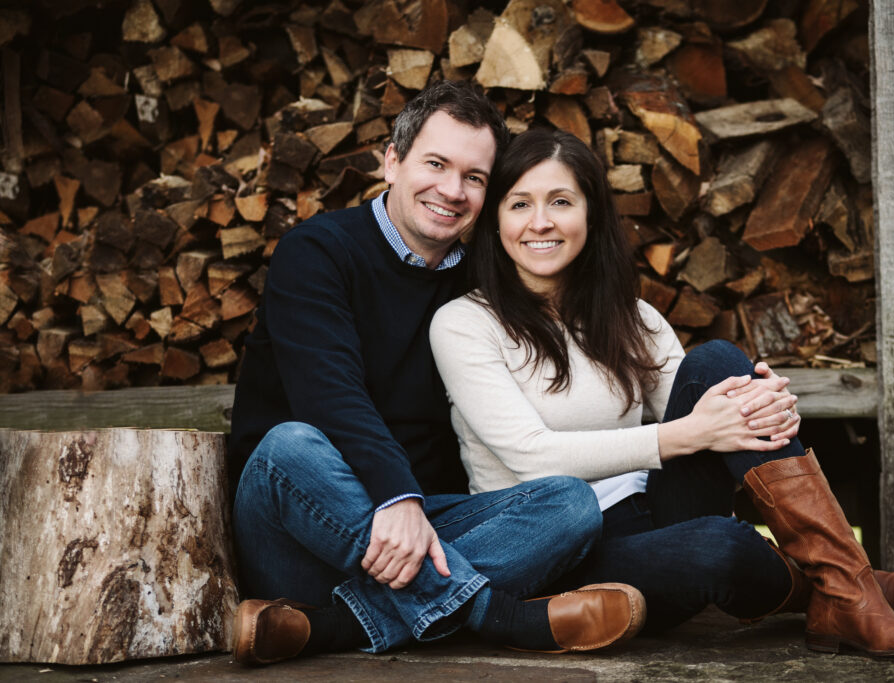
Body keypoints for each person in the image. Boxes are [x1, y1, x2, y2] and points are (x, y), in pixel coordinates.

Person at [429, 127, 894, 658]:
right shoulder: (465, 325)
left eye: (560, 201)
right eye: (520, 204)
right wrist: (687, 434)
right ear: (496, 219)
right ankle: (836, 588)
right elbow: (531, 458)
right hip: (561, 551)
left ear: (591, 215)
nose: (540, 222)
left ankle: (845, 586)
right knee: (721, 545)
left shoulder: (634, 318)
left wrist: (767, 408)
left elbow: (718, 415)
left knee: (718, 363)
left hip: (657, 509)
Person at [226, 83, 647, 665]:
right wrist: (396, 498)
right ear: (392, 161)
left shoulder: (483, 278)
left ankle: (332, 627)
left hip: (425, 529)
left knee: (570, 503)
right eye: (435, 164)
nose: (452, 190)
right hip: (303, 528)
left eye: (475, 177)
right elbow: (331, 396)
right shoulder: (317, 251)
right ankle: (499, 616)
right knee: (288, 445)